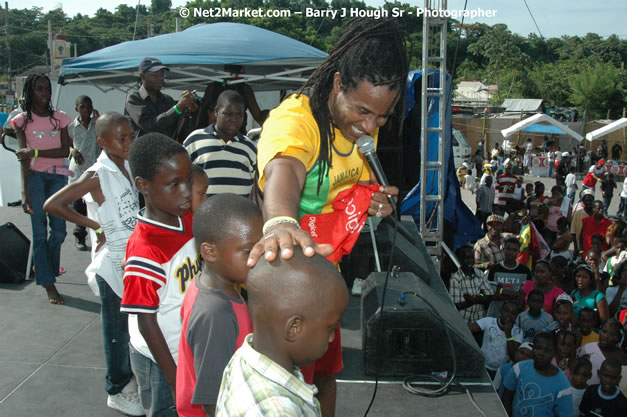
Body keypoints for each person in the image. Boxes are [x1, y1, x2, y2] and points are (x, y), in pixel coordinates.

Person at [246, 18, 408, 416]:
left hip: (326, 278)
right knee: (285, 391)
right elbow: (284, 170)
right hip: (285, 286)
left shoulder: (361, 121)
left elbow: (350, 181)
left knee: (324, 376)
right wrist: (281, 222)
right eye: (363, 111)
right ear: (337, 84)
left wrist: (372, 202)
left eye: (382, 118)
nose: (370, 127)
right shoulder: (297, 121)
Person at [42, 113, 143, 416]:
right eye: (121, 138)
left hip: (130, 256)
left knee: (131, 324)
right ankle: (116, 388)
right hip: (110, 263)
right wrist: (94, 226)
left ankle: (127, 379)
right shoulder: (97, 174)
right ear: (102, 142)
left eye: (130, 137)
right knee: (116, 329)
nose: (128, 143)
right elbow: (53, 205)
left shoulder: (127, 165)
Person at [215, 249, 349, 417]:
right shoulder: (277, 412)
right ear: (294, 328)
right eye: (330, 328)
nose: (332, 338)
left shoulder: (243, 357)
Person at [120, 133, 199, 417]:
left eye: (188, 180)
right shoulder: (145, 250)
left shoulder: (185, 218)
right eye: (174, 184)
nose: (187, 192)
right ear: (143, 185)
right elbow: (146, 321)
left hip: (186, 349)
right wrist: (173, 376)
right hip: (160, 361)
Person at [176, 194, 262, 417]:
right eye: (247, 251)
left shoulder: (215, 285)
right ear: (209, 252)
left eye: (259, 248)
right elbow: (214, 398)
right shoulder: (216, 315)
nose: (257, 258)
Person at [13, 73, 73, 304]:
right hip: (35, 178)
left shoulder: (60, 118)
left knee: (59, 231)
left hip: (57, 177)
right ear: (30, 91)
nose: (45, 93)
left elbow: (64, 151)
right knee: (39, 232)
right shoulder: (21, 121)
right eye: (39, 89)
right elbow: (23, 159)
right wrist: (23, 190)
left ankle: (44, 266)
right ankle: (48, 283)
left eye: (47, 89)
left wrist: (35, 152)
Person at [183, 90, 257, 198]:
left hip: (240, 213)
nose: (234, 120)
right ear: (216, 111)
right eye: (229, 114)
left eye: (239, 115)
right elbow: (182, 176)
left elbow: (258, 185)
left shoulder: (249, 147)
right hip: (204, 213)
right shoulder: (195, 140)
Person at [124, 57, 199, 141]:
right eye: (155, 74)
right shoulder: (134, 98)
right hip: (144, 152)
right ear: (143, 76)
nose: (161, 78)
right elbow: (150, 126)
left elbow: (179, 131)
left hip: (168, 151)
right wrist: (177, 108)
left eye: (162, 74)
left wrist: (188, 113)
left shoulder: (167, 99)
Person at [502, 332, 573, 417]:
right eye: (538, 348)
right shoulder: (518, 369)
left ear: (554, 353)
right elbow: (506, 399)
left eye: (547, 350)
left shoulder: (563, 384)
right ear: (533, 348)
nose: (541, 353)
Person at [67, 95, 101, 251]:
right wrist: (72, 150)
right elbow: (66, 143)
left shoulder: (96, 124)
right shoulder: (71, 127)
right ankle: (80, 236)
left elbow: (105, 137)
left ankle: (100, 235)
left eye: (89, 106)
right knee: (79, 206)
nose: (86, 110)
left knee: (97, 205)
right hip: (79, 169)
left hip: (94, 168)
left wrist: (99, 120)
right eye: (82, 107)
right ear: (76, 109)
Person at [468, 301, 522, 379]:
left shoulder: (518, 331)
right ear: (501, 311)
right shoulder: (488, 321)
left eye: (513, 313)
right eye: (506, 311)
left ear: (517, 316)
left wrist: (508, 334)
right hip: (483, 365)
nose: (509, 315)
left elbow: (513, 356)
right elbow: (468, 329)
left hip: (501, 371)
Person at [486, 236, 532, 317]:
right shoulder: (495, 269)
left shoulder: (525, 271)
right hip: (495, 315)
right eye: (508, 249)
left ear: (518, 252)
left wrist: (501, 291)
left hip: (516, 315)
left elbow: (525, 295)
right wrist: (516, 294)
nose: (511, 252)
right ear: (503, 250)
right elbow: (492, 293)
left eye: (514, 250)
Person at [449, 245, 494, 323]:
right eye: (466, 258)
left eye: (472, 258)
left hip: (479, 321)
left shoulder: (480, 274)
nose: (470, 261)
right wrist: (479, 297)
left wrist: (471, 299)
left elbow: (489, 296)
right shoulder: (455, 279)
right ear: (460, 259)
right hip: (462, 322)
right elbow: (458, 305)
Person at [577, 318, 625, 386]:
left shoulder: (621, 358)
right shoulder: (587, 348)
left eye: (612, 334)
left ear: (617, 337)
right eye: (604, 331)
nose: (605, 336)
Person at [571, 190, 595, 256]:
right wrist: (576, 248)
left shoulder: (598, 214)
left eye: (590, 200)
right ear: (583, 201)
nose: (589, 203)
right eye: (586, 200)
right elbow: (573, 232)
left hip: (594, 249)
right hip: (581, 249)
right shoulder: (578, 214)